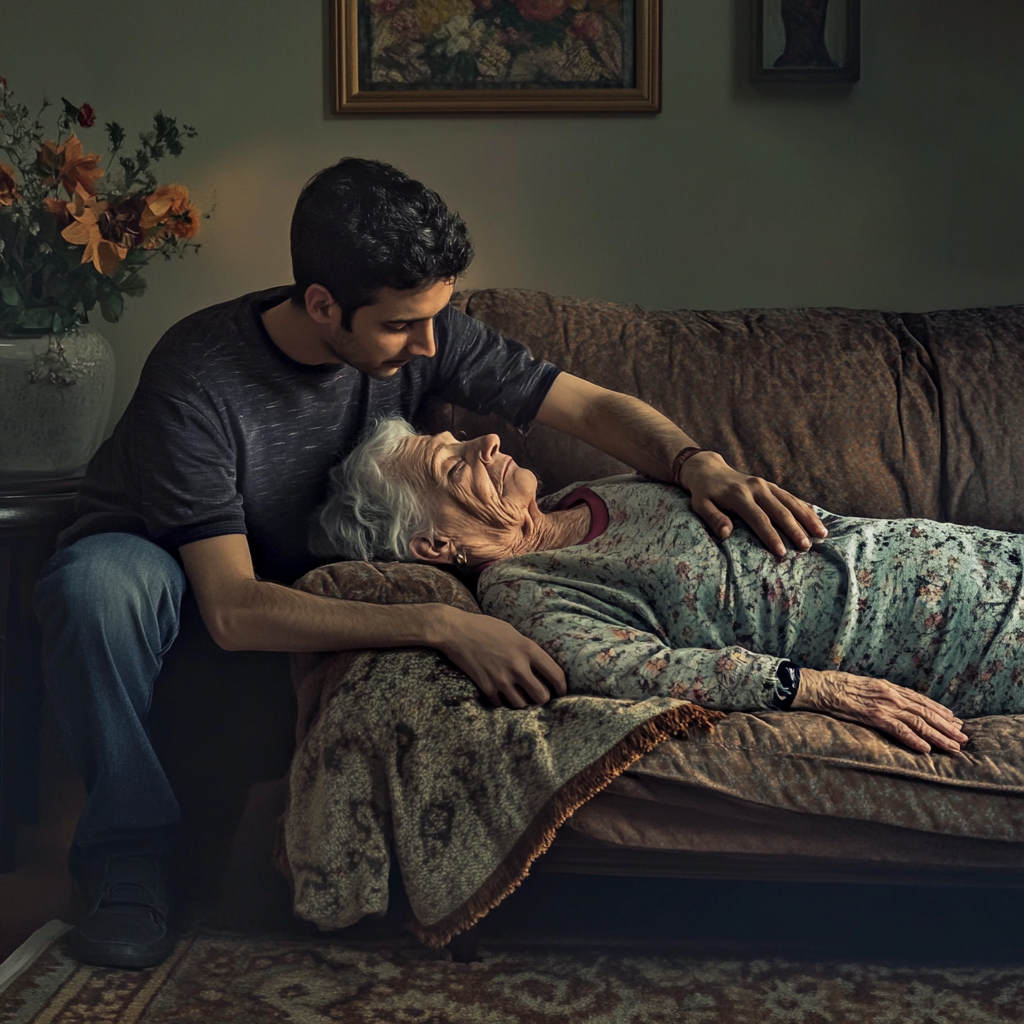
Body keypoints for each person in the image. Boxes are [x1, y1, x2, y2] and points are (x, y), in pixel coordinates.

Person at [34, 157, 824, 970]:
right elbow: (231, 607)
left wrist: (697, 462)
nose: (430, 345)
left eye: (437, 318)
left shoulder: (420, 334)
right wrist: (442, 624)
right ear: (320, 305)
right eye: (403, 326)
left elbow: (587, 405)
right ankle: (124, 854)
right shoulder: (197, 379)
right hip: (167, 565)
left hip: (303, 575)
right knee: (96, 586)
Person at [319, 415, 1024, 756]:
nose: (488, 444)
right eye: (454, 467)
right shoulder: (526, 593)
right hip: (969, 641)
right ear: (436, 545)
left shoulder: (587, 489)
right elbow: (638, 672)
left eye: (461, 438)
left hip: (983, 555)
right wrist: (819, 688)